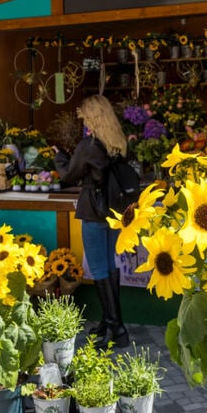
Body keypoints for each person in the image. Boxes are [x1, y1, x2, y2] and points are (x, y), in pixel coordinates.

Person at [54, 94, 129, 349]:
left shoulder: (89, 145)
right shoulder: (116, 143)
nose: (83, 120)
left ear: (92, 118)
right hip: (112, 214)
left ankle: (116, 327)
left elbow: (68, 176)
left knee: (98, 270)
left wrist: (59, 157)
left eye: (85, 116)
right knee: (109, 266)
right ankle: (110, 323)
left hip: (94, 213)